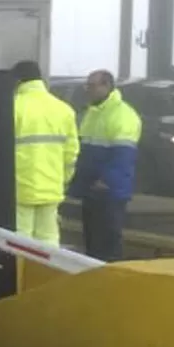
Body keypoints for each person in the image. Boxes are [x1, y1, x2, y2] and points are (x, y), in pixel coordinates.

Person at [70, 69, 142, 261]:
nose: (88, 90)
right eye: (87, 86)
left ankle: (110, 280)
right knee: (93, 242)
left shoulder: (122, 114)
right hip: (92, 189)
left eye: (92, 86)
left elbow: (123, 155)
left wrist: (106, 180)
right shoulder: (93, 113)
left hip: (108, 190)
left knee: (108, 241)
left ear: (107, 86)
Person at [11, 61, 78, 244]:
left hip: (20, 187)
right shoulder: (64, 110)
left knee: (20, 237)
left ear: (17, 80)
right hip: (52, 186)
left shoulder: (13, 107)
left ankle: (21, 272)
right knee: (48, 238)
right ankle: (47, 273)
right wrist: (64, 180)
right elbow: (71, 153)